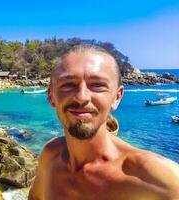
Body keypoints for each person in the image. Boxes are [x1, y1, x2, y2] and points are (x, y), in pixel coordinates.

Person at [28, 44, 179, 200]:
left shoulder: (161, 181)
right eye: (68, 84)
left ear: (117, 97)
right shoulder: (51, 155)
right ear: (51, 96)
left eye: (97, 85)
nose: (82, 97)